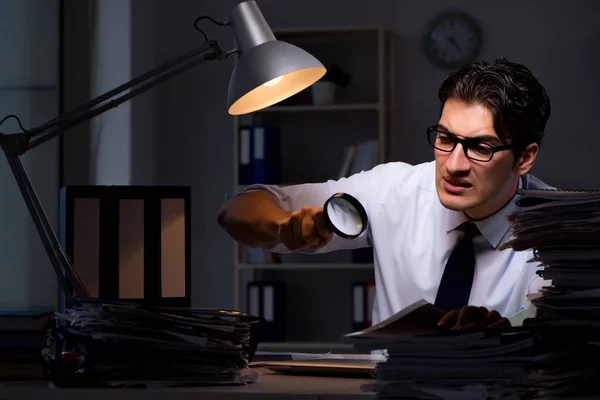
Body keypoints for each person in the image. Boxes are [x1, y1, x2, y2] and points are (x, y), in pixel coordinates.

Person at [217, 58, 553, 332]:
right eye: (445, 138)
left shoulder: (567, 230)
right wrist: (282, 227)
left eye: (480, 147)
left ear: (524, 158)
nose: (453, 165)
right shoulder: (392, 190)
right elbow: (235, 211)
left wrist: (510, 332)